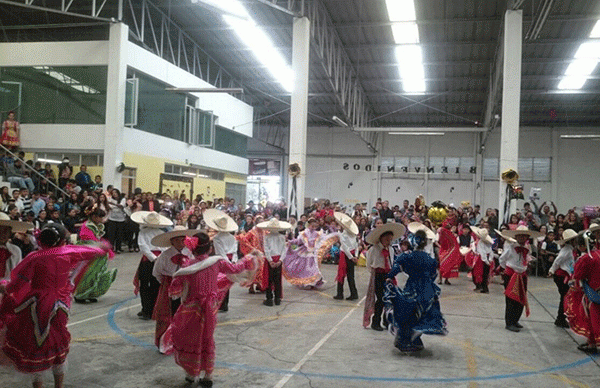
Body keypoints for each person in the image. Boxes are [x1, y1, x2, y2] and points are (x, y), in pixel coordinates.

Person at [0, 224, 110, 388]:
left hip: (38, 304)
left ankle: (39, 385)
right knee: (58, 340)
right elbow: (95, 251)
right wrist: (102, 247)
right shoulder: (69, 253)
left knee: (37, 342)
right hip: (62, 303)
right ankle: (59, 385)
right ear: (61, 240)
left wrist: (5, 287)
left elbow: (18, 283)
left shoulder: (34, 257)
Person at [160, 231, 257, 386]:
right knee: (207, 338)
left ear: (192, 248)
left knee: (190, 338)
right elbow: (236, 269)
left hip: (191, 308)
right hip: (210, 308)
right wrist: (250, 257)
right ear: (210, 248)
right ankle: (208, 375)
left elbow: (174, 292)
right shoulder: (217, 262)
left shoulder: (187, 266)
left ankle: (191, 374)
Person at [384, 229, 448, 352]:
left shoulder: (407, 257)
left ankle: (405, 340)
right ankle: (413, 340)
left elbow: (395, 269)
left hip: (412, 287)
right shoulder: (430, 259)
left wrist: (388, 277)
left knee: (408, 314)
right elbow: (433, 275)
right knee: (423, 315)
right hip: (427, 289)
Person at [151, 226, 196, 350]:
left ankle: (181, 341)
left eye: (184, 239)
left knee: (183, 312)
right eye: (179, 240)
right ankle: (164, 343)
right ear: (172, 241)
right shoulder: (165, 255)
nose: (182, 242)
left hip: (185, 285)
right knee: (166, 314)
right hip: (169, 284)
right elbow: (156, 272)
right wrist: (167, 283)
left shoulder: (189, 253)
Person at [498, 226, 542, 332]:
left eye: (524, 236)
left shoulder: (527, 248)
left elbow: (526, 258)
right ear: (516, 237)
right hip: (512, 275)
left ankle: (515, 320)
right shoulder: (510, 247)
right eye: (520, 236)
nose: (522, 238)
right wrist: (506, 271)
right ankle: (509, 323)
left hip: (522, 275)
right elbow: (502, 259)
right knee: (511, 299)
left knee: (521, 298)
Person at [363, 222, 405, 331]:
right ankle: (375, 322)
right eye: (387, 239)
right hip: (378, 275)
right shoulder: (374, 249)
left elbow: (391, 262)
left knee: (389, 299)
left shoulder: (390, 249)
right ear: (381, 238)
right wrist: (373, 273)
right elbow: (369, 263)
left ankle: (387, 322)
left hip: (387, 275)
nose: (389, 242)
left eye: (390, 239)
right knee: (380, 299)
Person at [131, 211, 173, 320]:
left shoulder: (143, 232)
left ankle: (146, 309)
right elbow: (165, 247)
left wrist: (152, 258)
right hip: (159, 258)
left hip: (147, 260)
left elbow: (142, 246)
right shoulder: (161, 233)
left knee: (144, 285)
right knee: (156, 284)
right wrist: (158, 258)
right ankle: (153, 308)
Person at [565, 226, 600, 354]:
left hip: (591, 292)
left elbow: (578, 275)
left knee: (591, 318)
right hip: (597, 290)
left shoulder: (586, 258)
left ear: (582, 246)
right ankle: (592, 342)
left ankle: (592, 343)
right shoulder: (598, 254)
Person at [74, 207, 117, 303]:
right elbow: (89, 240)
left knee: (94, 273)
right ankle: (80, 294)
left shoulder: (94, 225)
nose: (101, 220)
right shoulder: (87, 226)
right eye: (100, 218)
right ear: (94, 217)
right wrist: (100, 246)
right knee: (87, 273)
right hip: (87, 252)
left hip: (94, 251)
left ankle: (89, 293)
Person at [204, 209, 239, 312]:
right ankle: (225, 304)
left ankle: (221, 303)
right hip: (231, 259)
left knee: (219, 282)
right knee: (227, 281)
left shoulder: (217, 238)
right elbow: (235, 251)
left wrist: (226, 262)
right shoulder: (233, 238)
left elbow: (220, 252)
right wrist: (233, 261)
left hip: (221, 261)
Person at [282, 217, 325, 289]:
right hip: (304, 252)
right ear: (308, 225)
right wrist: (290, 242)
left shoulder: (317, 234)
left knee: (313, 268)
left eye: (315, 226)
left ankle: (312, 282)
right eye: (312, 226)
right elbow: (298, 241)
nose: (313, 227)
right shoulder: (303, 233)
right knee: (304, 269)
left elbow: (320, 242)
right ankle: (306, 282)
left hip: (312, 253)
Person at [256, 218, 291, 306]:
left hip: (270, 260)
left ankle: (269, 299)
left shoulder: (267, 237)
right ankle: (277, 298)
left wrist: (270, 260)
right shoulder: (282, 237)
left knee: (269, 279)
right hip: (278, 259)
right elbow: (284, 250)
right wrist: (280, 260)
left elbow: (266, 250)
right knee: (277, 280)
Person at [548, 229, 579, 328]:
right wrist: (552, 270)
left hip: (565, 275)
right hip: (561, 276)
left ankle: (561, 318)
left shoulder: (570, 249)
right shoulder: (566, 250)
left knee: (565, 297)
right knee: (564, 297)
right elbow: (558, 260)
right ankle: (560, 318)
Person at [333, 212, 359, 301]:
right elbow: (356, 246)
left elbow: (344, 247)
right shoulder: (354, 235)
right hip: (352, 255)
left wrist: (351, 257)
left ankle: (340, 294)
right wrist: (355, 256)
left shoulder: (343, 234)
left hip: (345, 256)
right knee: (351, 276)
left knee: (341, 274)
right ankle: (354, 293)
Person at [0, 212, 29, 280]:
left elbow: (18, 273)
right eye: (0, 231)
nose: (3, 234)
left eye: (6, 231)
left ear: (10, 232)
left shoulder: (15, 250)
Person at [437, 220, 462, 285]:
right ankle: (440, 279)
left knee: (449, 264)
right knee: (442, 264)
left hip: (450, 250)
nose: (448, 225)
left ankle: (446, 279)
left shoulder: (451, 234)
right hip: (443, 250)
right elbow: (438, 240)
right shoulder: (441, 231)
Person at [470, 226, 494, 293]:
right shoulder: (488, 242)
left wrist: (486, 261)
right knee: (485, 274)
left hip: (481, 259)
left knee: (480, 273)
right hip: (487, 258)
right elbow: (490, 251)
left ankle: (483, 287)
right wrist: (490, 260)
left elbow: (482, 253)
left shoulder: (480, 242)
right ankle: (484, 287)